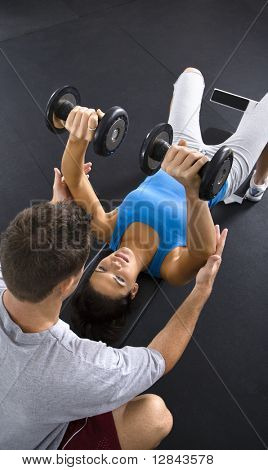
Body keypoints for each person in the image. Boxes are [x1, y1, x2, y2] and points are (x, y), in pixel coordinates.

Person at [0, 189, 227, 449]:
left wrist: (56, 211)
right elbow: (158, 360)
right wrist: (201, 289)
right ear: (69, 284)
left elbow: (10, 259)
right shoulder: (79, 366)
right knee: (154, 416)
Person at [59, 67, 268, 343]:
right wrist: (194, 193)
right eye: (119, 280)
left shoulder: (108, 231)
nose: (114, 265)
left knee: (190, 77)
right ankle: (258, 184)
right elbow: (204, 251)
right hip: (218, 175)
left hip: (175, 152)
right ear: (133, 290)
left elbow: (73, 177)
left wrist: (77, 134)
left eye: (102, 269)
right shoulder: (169, 267)